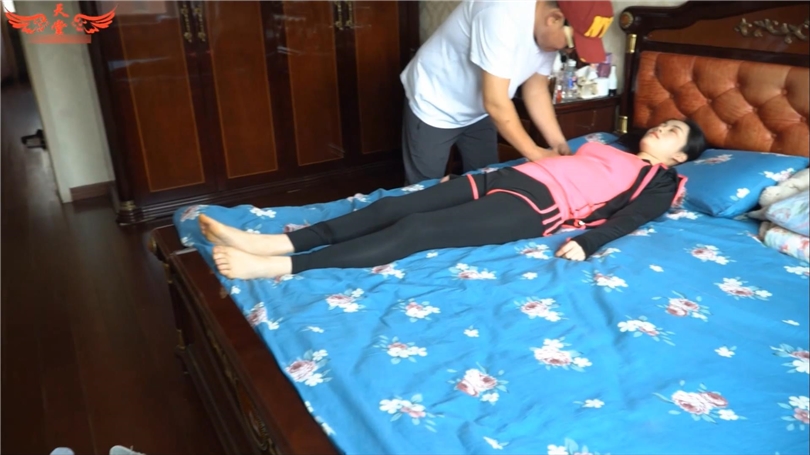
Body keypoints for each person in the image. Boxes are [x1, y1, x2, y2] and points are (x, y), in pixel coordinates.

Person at [199, 119, 708, 280]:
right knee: (394, 206)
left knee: (418, 231)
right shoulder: (609, 144)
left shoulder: (662, 181)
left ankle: (282, 268)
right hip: (510, 177)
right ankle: (277, 243)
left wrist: (591, 242)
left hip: (539, 208)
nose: (662, 128)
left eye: (674, 132)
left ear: (680, 157)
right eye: (664, 123)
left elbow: (634, 217)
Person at [399, 0, 615, 184]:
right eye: (571, 44)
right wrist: (537, 154)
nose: (569, 51)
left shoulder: (545, 29)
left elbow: (536, 89)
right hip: (435, 102)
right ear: (554, 19)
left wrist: (559, 145)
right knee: (424, 190)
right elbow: (495, 102)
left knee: (486, 180)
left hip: (479, 109)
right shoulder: (500, 14)